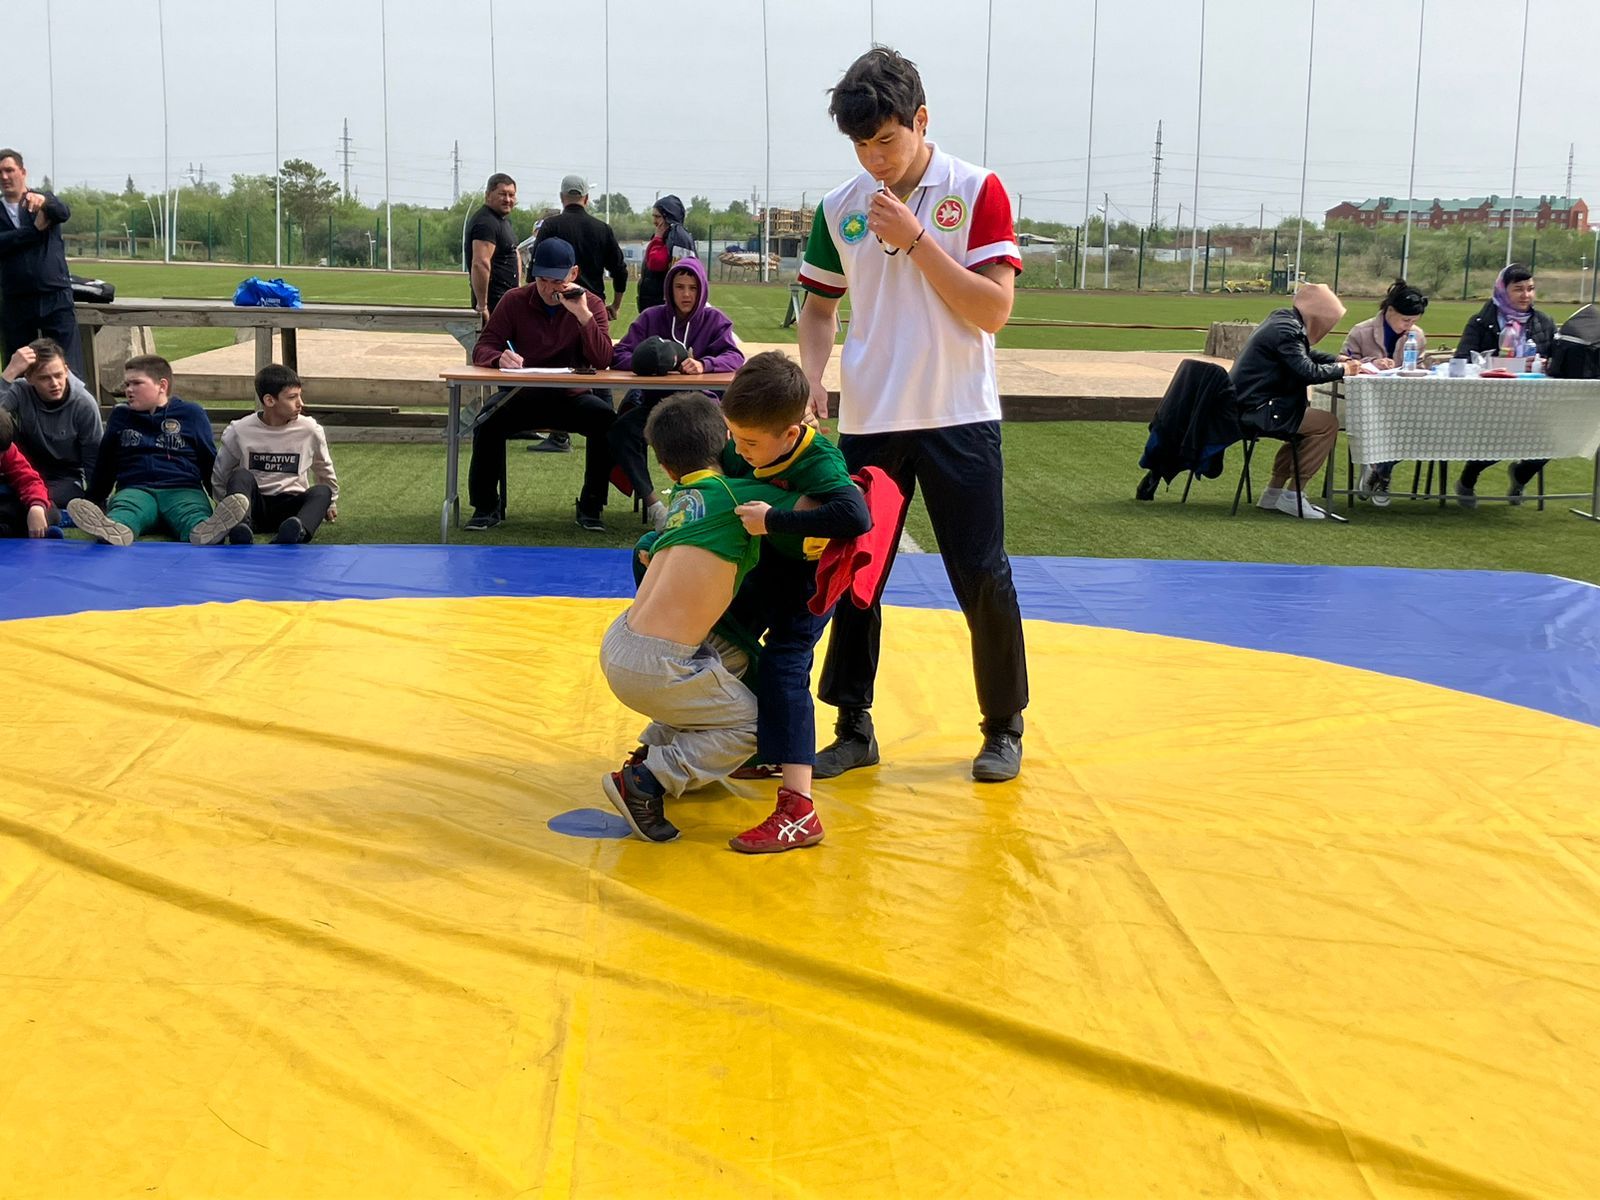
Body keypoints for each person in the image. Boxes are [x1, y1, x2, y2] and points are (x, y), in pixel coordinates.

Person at [795, 46, 1029, 783]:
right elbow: (819, 308)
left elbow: (992, 311)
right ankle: (852, 724)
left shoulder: (977, 188)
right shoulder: (839, 208)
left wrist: (918, 240)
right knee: (855, 573)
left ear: (921, 120)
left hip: (959, 415)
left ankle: (1002, 726)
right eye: (861, 145)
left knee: (980, 573)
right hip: (873, 419)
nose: (875, 160)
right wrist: (811, 375)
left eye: (887, 141)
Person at [598, 391, 796, 844]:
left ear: (666, 468)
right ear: (728, 440)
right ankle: (648, 780)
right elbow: (821, 506)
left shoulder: (681, 499)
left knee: (728, 668)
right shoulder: (739, 496)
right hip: (659, 664)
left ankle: (651, 750)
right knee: (754, 725)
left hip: (623, 642)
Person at [716, 352, 872, 853]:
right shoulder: (751, 444)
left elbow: (855, 515)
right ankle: (769, 746)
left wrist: (775, 521)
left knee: (786, 664)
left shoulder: (819, 459)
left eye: (749, 442)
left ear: (790, 432)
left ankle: (799, 808)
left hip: (812, 583)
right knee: (725, 633)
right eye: (734, 436)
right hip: (770, 568)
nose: (740, 449)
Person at [466, 237, 616, 532]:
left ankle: (591, 506)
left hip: (572, 397)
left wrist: (582, 315)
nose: (548, 289)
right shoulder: (514, 300)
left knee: (607, 422)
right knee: (486, 422)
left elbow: (603, 359)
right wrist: (500, 358)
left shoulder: (592, 305)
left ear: (573, 274)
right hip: (523, 396)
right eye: (542, 280)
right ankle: (485, 506)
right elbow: (482, 349)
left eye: (556, 281)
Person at [610, 256, 745, 527]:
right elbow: (619, 354)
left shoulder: (715, 320)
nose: (686, 294)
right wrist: (651, 364)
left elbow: (735, 356)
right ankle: (656, 507)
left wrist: (705, 364)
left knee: (726, 436)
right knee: (621, 430)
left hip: (702, 406)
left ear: (702, 289)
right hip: (656, 406)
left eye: (693, 288)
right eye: (680, 287)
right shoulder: (651, 317)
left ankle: (718, 504)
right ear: (669, 289)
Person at [66, 355, 249, 547]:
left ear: (162, 385)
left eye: (136, 383)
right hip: (136, 489)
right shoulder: (120, 416)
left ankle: (204, 530)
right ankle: (115, 529)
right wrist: (94, 499)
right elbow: (106, 463)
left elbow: (208, 460)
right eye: (127, 384)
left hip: (183, 488)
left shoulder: (191, 414)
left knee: (192, 514)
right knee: (126, 511)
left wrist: (219, 498)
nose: (128, 390)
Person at [1228, 282, 1360, 520]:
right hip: (1260, 409)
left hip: (1250, 404)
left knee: (1306, 426)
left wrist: (1336, 359)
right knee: (1326, 424)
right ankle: (1293, 495)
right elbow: (1307, 370)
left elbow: (1302, 354)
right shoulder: (1288, 331)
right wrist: (1344, 369)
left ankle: (1273, 492)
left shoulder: (1283, 321)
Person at [1452, 263, 1558, 508]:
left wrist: (1544, 363)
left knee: (1553, 440)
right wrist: (1495, 364)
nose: (1526, 295)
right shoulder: (1481, 321)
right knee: (1499, 439)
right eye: (1518, 289)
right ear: (1503, 290)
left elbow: (1556, 360)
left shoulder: (1544, 322)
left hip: (1536, 400)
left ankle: (1520, 475)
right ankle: (1467, 482)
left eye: (1530, 289)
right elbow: (1463, 359)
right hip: (1489, 399)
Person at [212, 364, 339, 544]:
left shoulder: (310, 429)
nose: (300, 404)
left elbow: (323, 468)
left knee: (322, 492)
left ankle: (296, 531)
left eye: (299, 396)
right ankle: (240, 528)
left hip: (292, 507)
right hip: (254, 507)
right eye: (292, 397)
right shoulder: (240, 430)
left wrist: (331, 502)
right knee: (240, 475)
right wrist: (223, 508)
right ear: (270, 401)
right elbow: (221, 473)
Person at [1344, 280, 1429, 506]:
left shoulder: (1417, 336)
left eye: (1413, 321)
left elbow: (1419, 368)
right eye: (1405, 320)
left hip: (1404, 403)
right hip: (1368, 403)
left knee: (1424, 428)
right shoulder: (1361, 331)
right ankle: (1379, 471)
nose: (1409, 326)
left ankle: (1380, 471)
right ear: (1389, 311)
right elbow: (1342, 360)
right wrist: (1370, 363)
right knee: (1390, 424)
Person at [0, 149, 81, 375]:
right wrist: (33, 231)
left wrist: (45, 201)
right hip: (16, 301)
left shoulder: (41, 201)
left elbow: (63, 212)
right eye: (0, 172)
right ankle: (14, 412)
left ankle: (75, 409)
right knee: (17, 369)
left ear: (22, 172)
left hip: (55, 296)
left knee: (67, 367)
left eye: (9, 170)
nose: (4, 177)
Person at [0, 337, 102, 510]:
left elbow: (94, 455)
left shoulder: (84, 403)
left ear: (66, 370)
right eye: (45, 378)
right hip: (24, 466)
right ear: (29, 378)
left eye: (59, 375)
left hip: (64, 476)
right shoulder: (20, 389)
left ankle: (48, 516)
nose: (54, 384)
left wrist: (96, 499)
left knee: (38, 502)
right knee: (3, 421)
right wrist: (9, 372)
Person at [534, 175, 629, 319]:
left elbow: (535, 268)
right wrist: (616, 305)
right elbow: (620, 271)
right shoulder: (602, 229)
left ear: (561, 197)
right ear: (586, 199)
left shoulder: (550, 226)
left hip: (556, 304)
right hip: (592, 305)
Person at [464, 173, 520, 325]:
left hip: (506, 303)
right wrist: (483, 306)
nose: (508, 199)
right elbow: (480, 263)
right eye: (502, 194)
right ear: (488, 195)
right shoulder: (486, 223)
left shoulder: (502, 221)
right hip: (494, 305)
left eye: (511, 195)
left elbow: (514, 253)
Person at [0, 409, 60, 538]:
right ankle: (19, 531)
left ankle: (32, 528)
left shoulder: (8, 450)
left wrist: (36, 506)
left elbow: (28, 479)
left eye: (1, 456)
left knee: (50, 510)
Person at [636, 195, 697, 313]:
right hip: (659, 303)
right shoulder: (671, 234)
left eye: (657, 217)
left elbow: (655, 263)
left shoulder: (677, 236)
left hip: (663, 305)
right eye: (653, 216)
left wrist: (658, 239)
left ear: (668, 217)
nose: (654, 221)